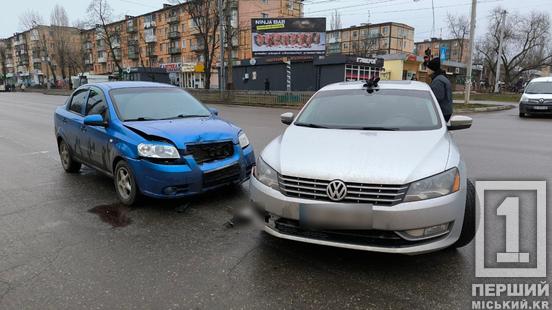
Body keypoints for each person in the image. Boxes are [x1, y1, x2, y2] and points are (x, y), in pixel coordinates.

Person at [426, 57, 453, 122]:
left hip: (442, 112)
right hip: (445, 111)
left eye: (427, 68)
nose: (426, 70)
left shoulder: (438, 81)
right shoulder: (441, 78)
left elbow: (436, 98)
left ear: (432, 69)